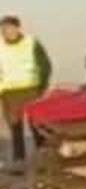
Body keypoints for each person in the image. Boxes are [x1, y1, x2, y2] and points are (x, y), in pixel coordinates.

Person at [0, 16, 52, 172]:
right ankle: (19, 162)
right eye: (4, 29)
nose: (7, 32)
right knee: (15, 129)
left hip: (32, 91)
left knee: (38, 127)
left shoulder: (31, 43)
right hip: (9, 93)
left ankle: (44, 161)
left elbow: (45, 65)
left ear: (17, 28)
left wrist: (42, 87)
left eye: (10, 28)